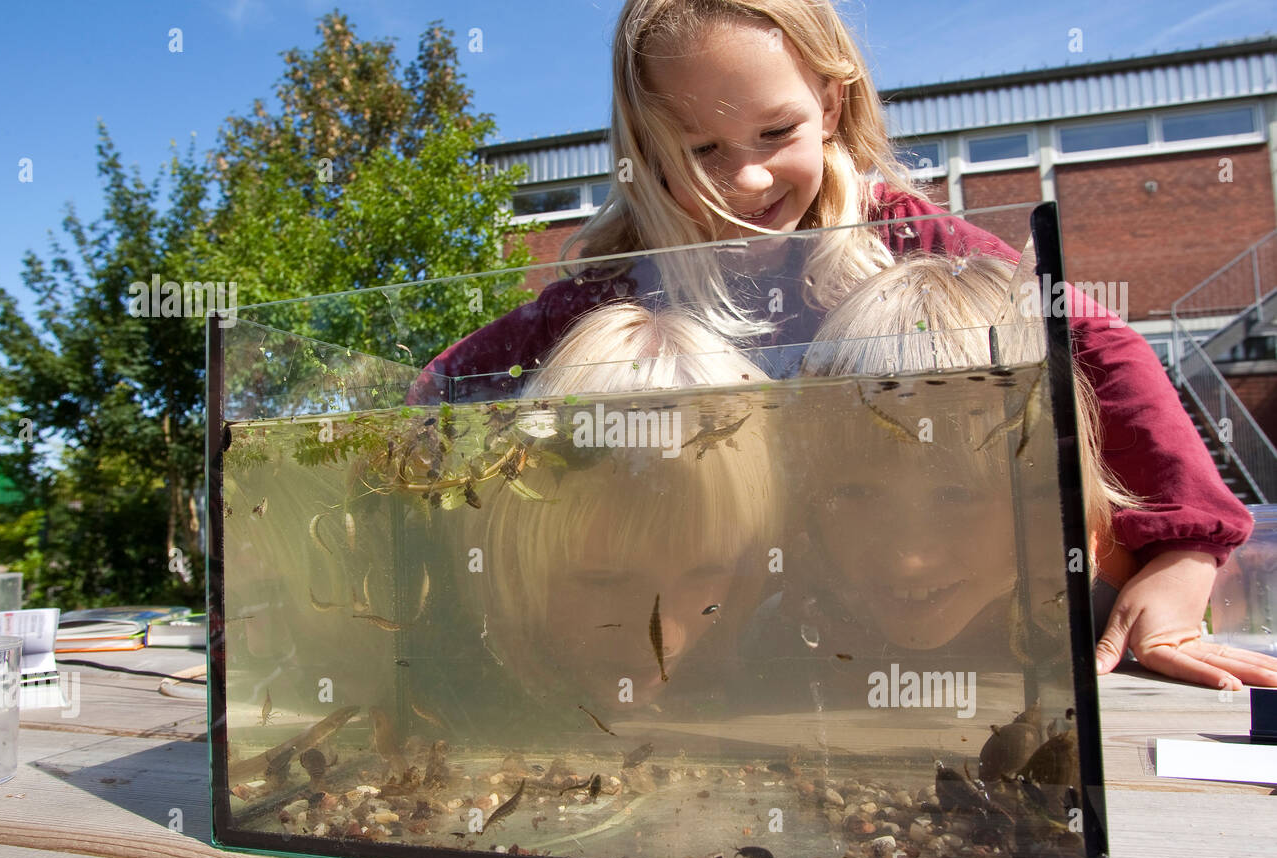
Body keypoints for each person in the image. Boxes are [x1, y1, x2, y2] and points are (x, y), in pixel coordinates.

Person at [409, 0, 1269, 691]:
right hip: (736, 647)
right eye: (701, 148)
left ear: (831, 102)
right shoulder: (624, 281)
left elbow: (1098, 343)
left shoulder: (906, 238)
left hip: (951, 634)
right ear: (646, 151)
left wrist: (1184, 548)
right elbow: (444, 387)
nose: (745, 178)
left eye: (777, 133)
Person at [450, 302, 781, 727]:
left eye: (705, 573)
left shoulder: (765, 683)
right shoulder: (457, 704)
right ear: (511, 565)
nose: (661, 641)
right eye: (602, 579)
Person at [796, 253, 1139, 660]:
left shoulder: (1103, 610)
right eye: (856, 493)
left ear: (1040, 499)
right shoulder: (792, 621)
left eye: (955, 496)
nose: (909, 559)